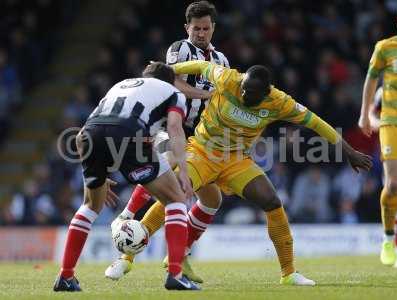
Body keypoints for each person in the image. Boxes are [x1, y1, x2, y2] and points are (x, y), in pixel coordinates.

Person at [114, 60, 372, 286]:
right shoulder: (229, 79)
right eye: (245, 88)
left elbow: (316, 122)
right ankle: (127, 257)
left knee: (272, 201)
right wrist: (171, 70)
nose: (245, 93)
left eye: (251, 93)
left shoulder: (279, 102)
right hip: (202, 151)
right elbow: (201, 66)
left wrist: (348, 151)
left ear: (266, 93)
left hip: (236, 160)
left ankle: (289, 273)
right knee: (176, 194)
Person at [105, 0, 229, 282]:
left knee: (212, 199)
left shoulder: (221, 61)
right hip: (168, 124)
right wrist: (208, 95)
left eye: (205, 28)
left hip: (202, 137)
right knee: (167, 170)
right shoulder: (179, 49)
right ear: (187, 27)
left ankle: (181, 254)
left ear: (213, 28)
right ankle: (126, 228)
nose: (200, 33)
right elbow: (171, 83)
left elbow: (224, 98)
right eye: (195, 28)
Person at [53, 62, 200, 291]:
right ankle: (175, 274)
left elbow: (95, 127)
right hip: (129, 132)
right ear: (170, 80)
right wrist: (183, 167)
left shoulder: (121, 85)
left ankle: (66, 276)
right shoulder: (174, 92)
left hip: (87, 135)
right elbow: (174, 127)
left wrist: (101, 173)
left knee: (90, 206)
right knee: (176, 199)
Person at [358, 15, 397, 267]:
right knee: (394, 184)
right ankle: (387, 238)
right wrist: (364, 115)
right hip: (392, 121)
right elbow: (371, 79)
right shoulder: (385, 47)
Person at [362, 85, 397, 267]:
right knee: (394, 189)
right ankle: (392, 243)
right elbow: (370, 116)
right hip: (390, 145)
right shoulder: (383, 91)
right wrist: (383, 123)